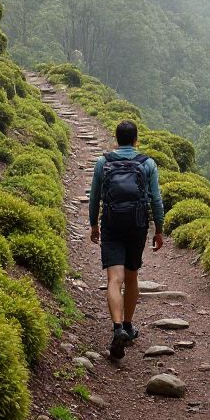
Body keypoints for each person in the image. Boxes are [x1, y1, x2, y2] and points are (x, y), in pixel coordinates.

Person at [88, 120, 165, 359]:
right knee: (132, 277)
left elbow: (95, 197)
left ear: (116, 139)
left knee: (114, 279)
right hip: (137, 226)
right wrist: (159, 229)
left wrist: (94, 225)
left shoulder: (103, 162)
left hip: (111, 224)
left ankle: (117, 327)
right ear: (135, 140)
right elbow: (156, 199)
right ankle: (129, 326)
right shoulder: (147, 163)